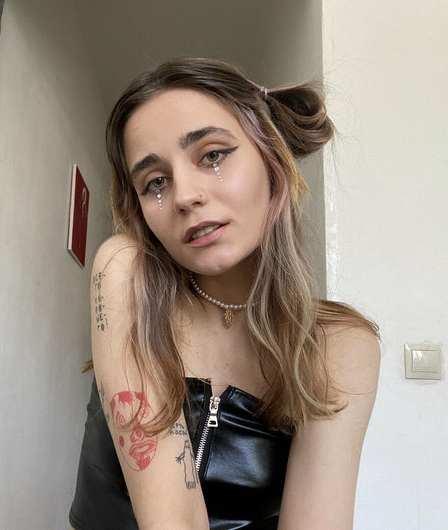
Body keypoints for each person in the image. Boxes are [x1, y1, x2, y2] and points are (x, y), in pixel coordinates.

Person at [69, 57, 380, 530]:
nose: (184, 196)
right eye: (156, 182)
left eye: (213, 155)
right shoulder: (126, 273)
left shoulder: (337, 346)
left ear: (271, 157)